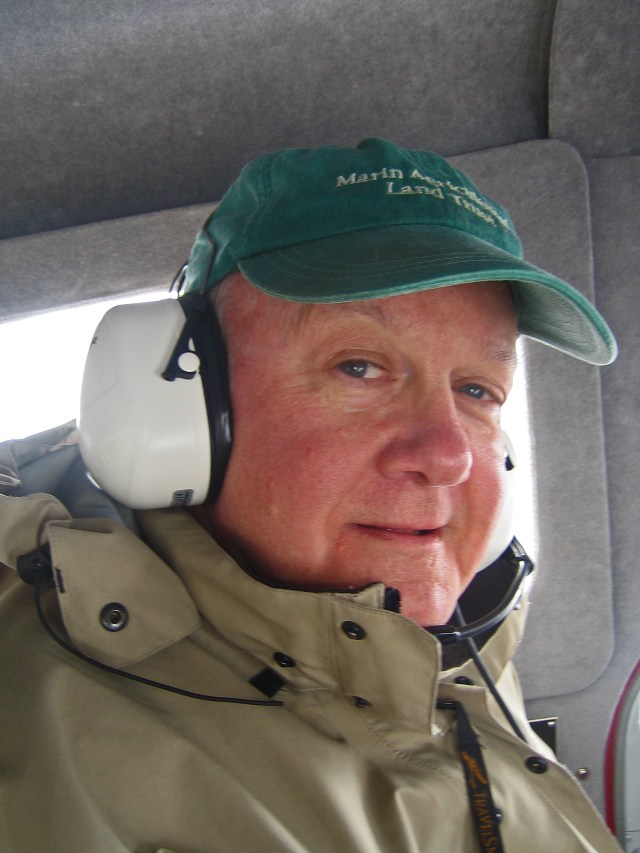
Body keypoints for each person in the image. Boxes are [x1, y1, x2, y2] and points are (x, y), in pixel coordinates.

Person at [0, 138, 621, 852]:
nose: (448, 456)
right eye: (359, 367)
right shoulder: (30, 720)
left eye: (478, 390)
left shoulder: (467, 645)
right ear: (182, 410)